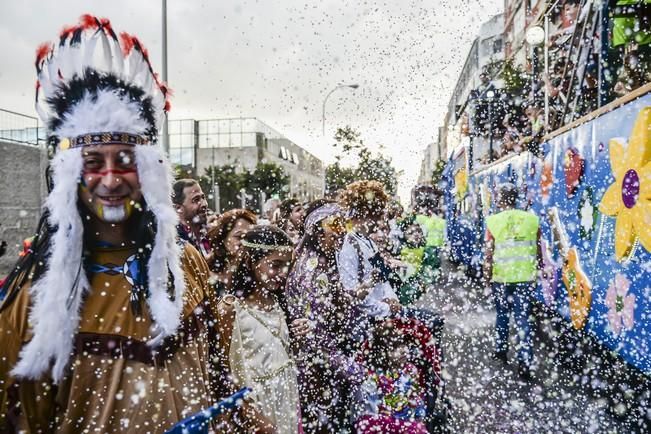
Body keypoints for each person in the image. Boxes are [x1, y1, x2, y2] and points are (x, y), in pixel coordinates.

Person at [0, 15, 223, 432]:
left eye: (124, 160)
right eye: (92, 162)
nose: (110, 178)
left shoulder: (187, 263)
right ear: (70, 175)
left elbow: (218, 372)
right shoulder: (33, 300)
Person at [215, 225, 308, 434]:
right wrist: (255, 418)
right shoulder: (231, 309)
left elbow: (278, 354)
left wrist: (295, 338)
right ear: (250, 261)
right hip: (256, 406)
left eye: (287, 266)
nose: (283, 274)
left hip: (285, 398)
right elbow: (222, 373)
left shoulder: (277, 301)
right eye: (275, 265)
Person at [286, 201, 361, 433]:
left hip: (325, 364)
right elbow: (314, 331)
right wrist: (350, 369)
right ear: (317, 229)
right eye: (335, 224)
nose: (342, 231)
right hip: (317, 367)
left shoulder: (324, 258)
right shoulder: (313, 268)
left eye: (344, 224)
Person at [484, 183, 542, 380]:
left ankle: (501, 350)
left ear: (500, 199)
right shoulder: (531, 220)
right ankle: (525, 361)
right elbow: (538, 248)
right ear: (515, 198)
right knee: (523, 318)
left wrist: (487, 276)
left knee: (502, 314)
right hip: (525, 277)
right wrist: (539, 268)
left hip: (501, 278)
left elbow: (489, 253)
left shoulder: (493, 221)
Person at [353, 320, 429, 434]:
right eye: (394, 347)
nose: (403, 350)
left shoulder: (411, 371)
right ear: (381, 353)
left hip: (407, 424)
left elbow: (417, 401)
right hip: (383, 426)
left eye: (404, 344)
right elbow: (367, 417)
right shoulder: (373, 378)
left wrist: (418, 418)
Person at [206, 208, 257, 295]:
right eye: (239, 236)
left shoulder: (256, 273)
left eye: (249, 238)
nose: (244, 242)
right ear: (223, 238)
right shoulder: (206, 270)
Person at [173, 178, 212, 258]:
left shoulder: (212, 233)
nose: (204, 204)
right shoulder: (175, 241)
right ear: (178, 208)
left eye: (203, 197)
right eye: (196, 200)